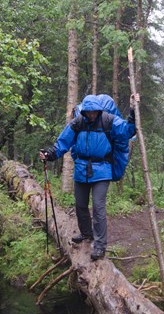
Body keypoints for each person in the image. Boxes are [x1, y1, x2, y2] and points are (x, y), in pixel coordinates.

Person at [40, 94, 138, 261]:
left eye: (94, 112)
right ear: (84, 112)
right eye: (89, 112)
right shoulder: (78, 122)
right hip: (81, 170)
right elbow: (63, 142)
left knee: (98, 207)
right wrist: (49, 154)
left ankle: (100, 245)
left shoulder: (109, 120)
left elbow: (128, 130)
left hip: (102, 169)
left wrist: (133, 110)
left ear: (98, 111)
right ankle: (87, 234)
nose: (92, 115)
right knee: (80, 205)